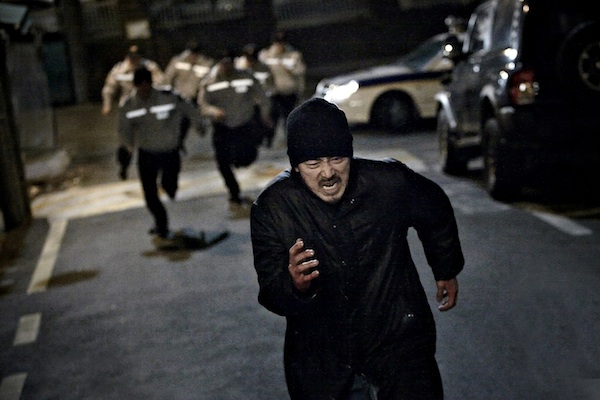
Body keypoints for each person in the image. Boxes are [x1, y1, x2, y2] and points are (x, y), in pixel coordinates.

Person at [250, 98, 464, 400]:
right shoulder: (273, 208)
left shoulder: (389, 183)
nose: (328, 173)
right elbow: (271, 290)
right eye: (313, 164)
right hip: (325, 364)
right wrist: (295, 285)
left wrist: (445, 268)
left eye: (337, 159)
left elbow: (435, 207)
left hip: (399, 346)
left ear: (350, 154)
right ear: (296, 166)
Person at [119, 67, 204, 241]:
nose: (144, 90)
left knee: (169, 186)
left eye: (147, 86)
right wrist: (127, 150)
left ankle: (169, 187)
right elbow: (124, 131)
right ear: (135, 85)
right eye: (140, 87)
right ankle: (161, 225)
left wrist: (199, 125)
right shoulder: (129, 105)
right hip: (147, 154)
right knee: (150, 195)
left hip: (169, 152)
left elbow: (189, 109)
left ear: (151, 83)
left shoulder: (168, 96)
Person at [198, 50, 272, 217]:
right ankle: (234, 194)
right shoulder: (209, 82)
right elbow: (202, 105)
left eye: (229, 62)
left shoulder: (246, 76)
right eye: (223, 63)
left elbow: (262, 96)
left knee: (246, 158)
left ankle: (241, 160)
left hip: (244, 125)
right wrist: (213, 111)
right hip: (223, 127)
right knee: (222, 162)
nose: (226, 66)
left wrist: (265, 114)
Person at [258, 31, 306, 147]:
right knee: (272, 116)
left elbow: (300, 71)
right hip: (273, 92)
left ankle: (290, 140)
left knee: (289, 116)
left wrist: (291, 70)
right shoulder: (266, 55)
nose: (280, 45)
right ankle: (268, 140)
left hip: (289, 91)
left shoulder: (293, 55)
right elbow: (260, 71)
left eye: (282, 43)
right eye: (277, 43)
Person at [163, 41, 214, 146]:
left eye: (195, 53)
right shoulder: (178, 61)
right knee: (179, 123)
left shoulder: (206, 64)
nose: (193, 56)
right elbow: (168, 78)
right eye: (191, 52)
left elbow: (208, 83)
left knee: (193, 123)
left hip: (195, 99)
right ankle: (177, 144)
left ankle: (195, 132)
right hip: (178, 98)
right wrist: (167, 95)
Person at [101, 45, 164, 115]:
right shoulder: (119, 69)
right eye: (132, 57)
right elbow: (109, 88)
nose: (134, 60)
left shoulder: (150, 67)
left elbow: (161, 83)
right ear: (127, 57)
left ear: (140, 57)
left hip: (147, 105)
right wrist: (107, 105)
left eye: (136, 57)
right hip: (127, 105)